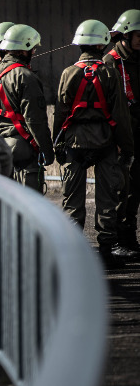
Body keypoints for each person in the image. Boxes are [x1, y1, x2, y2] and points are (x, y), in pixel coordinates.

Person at [53, 20, 134, 267]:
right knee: (107, 198)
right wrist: (127, 147)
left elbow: (60, 112)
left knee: (72, 200)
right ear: (102, 43)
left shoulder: (68, 72)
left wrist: (57, 145)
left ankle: (74, 253)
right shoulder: (109, 72)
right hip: (106, 142)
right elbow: (120, 114)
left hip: (75, 143)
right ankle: (107, 250)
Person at [0, 24, 54, 191]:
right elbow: (36, 120)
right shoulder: (27, 77)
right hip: (22, 149)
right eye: (32, 49)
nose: (33, 52)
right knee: (30, 206)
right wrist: (47, 152)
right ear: (23, 50)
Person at [104, 9, 140, 255]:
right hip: (120, 136)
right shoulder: (111, 62)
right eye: (139, 35)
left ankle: (129, 239)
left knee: (135, 189)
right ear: (126, 35)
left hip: (138, 132)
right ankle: (115, 241)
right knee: (120, 189)